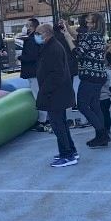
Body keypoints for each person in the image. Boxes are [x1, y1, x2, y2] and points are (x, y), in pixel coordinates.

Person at [60, 13, 109, 148]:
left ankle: (102, 133)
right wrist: (67, 27)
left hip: (90, 75)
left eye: (89, 22)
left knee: (82, 105)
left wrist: (67, 37)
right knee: (95, 105)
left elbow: (78, 53)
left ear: (94, 24)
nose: (86, 24)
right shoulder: (98, 36)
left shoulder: (89, 36)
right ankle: (102, 135)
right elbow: (78, 36)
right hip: (99, 75)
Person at [34, 24, 78, 167]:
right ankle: (70, 150)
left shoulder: (53, 48)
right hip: (57, 93)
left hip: (55, 94)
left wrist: (45, 90)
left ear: (46, 33)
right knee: (61, 124)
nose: (36, 35)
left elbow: (56, 73)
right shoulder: (51, 47)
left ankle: (67, 155)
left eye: (38, 33)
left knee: (58, 125)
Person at [19, 18, 49, 131]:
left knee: (38, 95)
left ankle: (42, 120)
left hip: (33, 71)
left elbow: (31, 56)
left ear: (33, 27)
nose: (26, 28)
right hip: (38, 71)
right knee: (40, 93)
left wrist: (20, 57)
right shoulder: (39, 39)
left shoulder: (31, 40)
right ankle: (45, 118)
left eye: (28, 26)